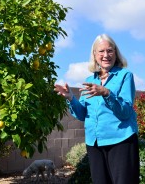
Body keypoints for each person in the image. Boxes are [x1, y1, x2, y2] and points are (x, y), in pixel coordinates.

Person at [54, 34, 139, 184]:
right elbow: (82, 114)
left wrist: (106, 93)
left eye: (110, 50)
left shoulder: (125, 76)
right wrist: (70, 98)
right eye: (101, 51)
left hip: (120, 140)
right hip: (95, 143)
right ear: (94, 54)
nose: (106, 55)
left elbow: (125, 112)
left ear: (115, 53)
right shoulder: (89, 80)